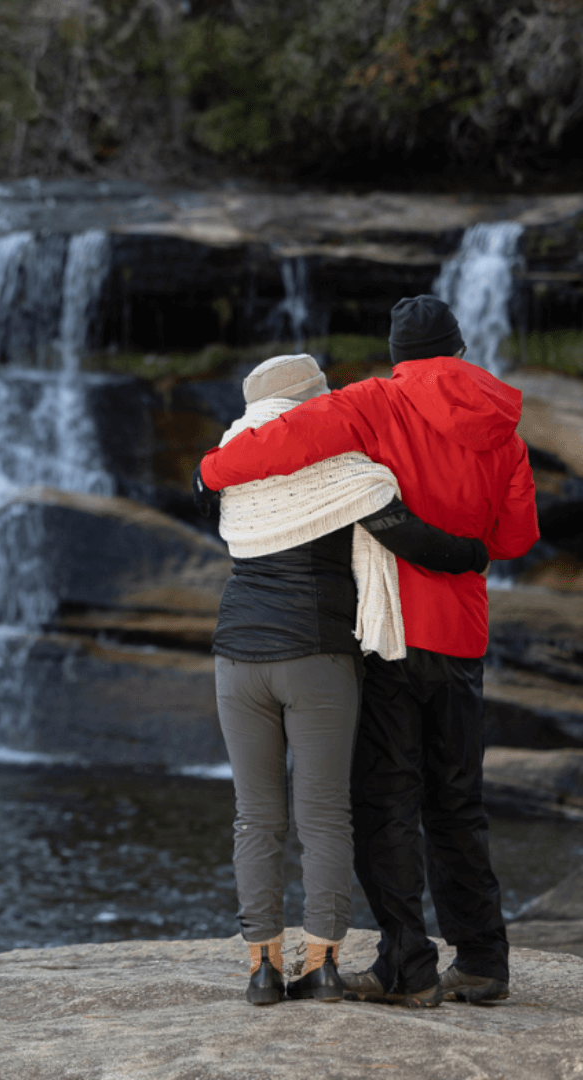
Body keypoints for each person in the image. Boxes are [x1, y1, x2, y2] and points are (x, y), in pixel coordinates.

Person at [197, 297, 539, 1008]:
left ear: (397, 354)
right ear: (461, 348)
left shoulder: (373, 402)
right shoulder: (503, 428)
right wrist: (464, 546)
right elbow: (513, 542)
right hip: (462, 636)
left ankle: (407, 967)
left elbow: (279, 443)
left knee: (385, 802)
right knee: (457, 804)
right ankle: (482, 960)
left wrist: (210, 471)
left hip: (385, 632)